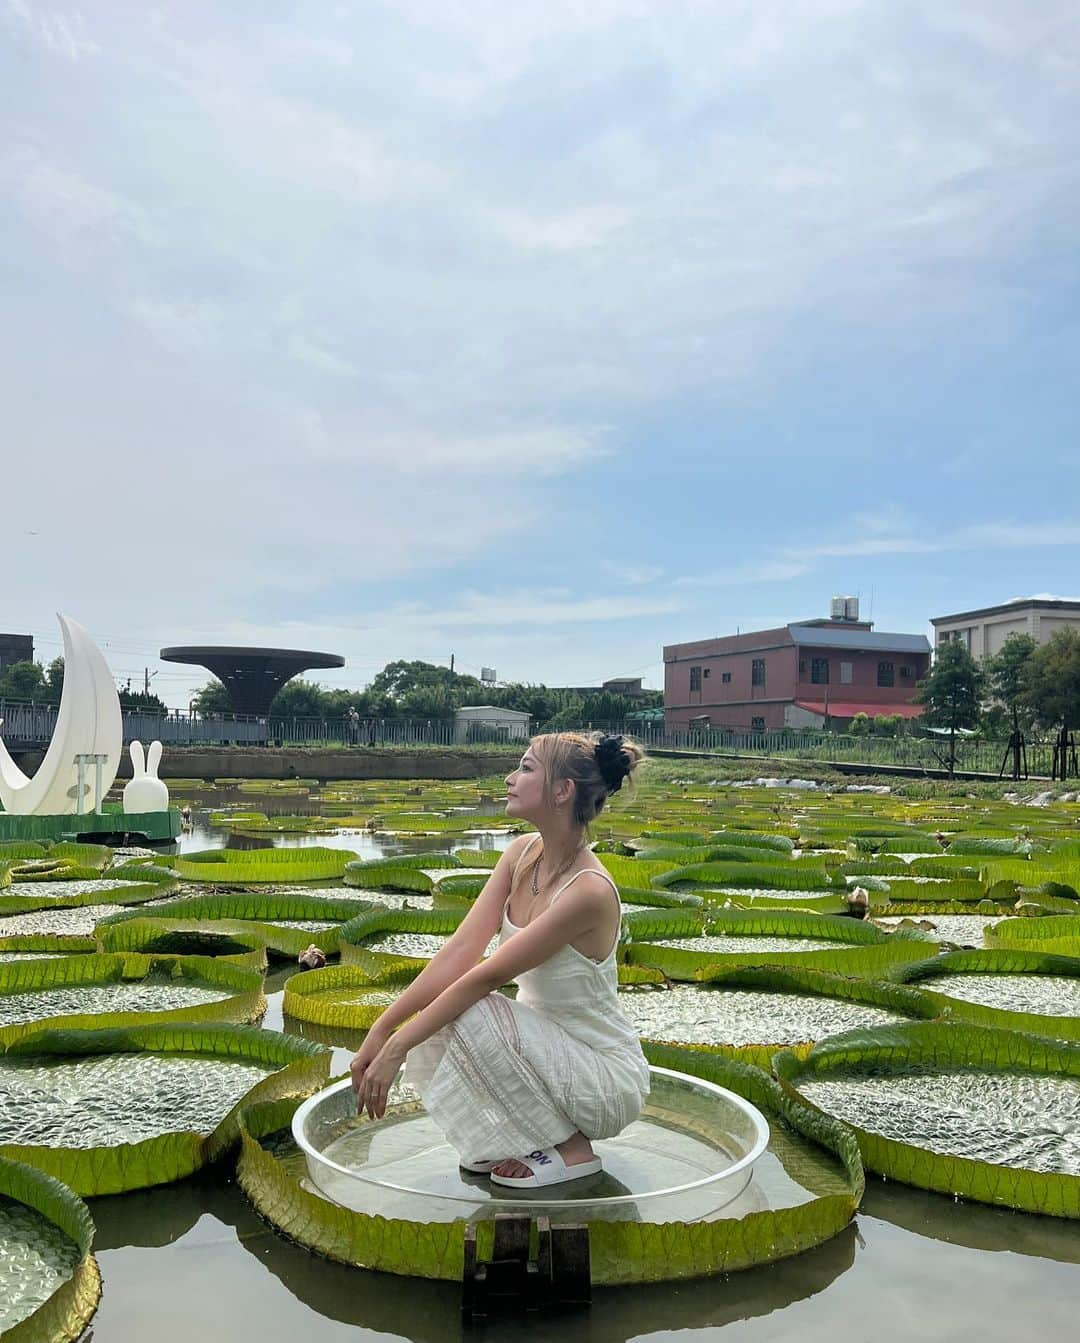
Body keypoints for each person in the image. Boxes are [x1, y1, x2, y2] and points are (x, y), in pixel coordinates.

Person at [349, 731, 649, 1189]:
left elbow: (486, 976)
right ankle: (521, 1136)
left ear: (562, 791)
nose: (511, 778)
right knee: (446, 1008)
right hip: (541, 1053)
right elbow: (459, 954)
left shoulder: (588, 890)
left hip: (602, 1077)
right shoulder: (518, 855)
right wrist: (378, 1031)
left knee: (472, 1007)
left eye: (527, 768)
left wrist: (398, 1048)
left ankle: (572, 1148)